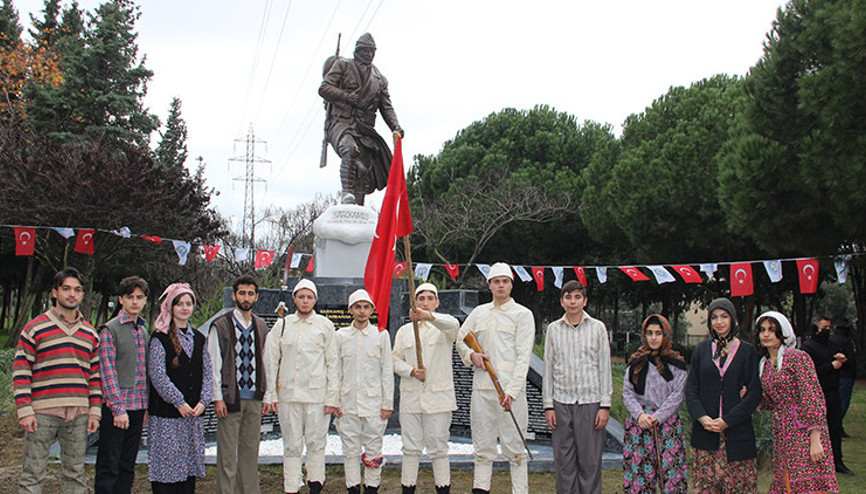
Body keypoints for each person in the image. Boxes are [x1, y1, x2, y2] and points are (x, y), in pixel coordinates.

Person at [14, 267, 101, 494]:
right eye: (66, 289)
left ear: (83, 295)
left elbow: (95, 376)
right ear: (55, 293)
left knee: (76, 475)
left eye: (77, 290)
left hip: (79, 414)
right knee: (32, 475)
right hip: (42, 412)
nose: (72, 294)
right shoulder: (35, 328)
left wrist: (94, 411)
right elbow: (21, 370)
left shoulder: (90, 333)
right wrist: (24, 410)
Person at [457, 262, 535, 494]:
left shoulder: (523, 314)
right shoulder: (479, 313)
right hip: (482, 389)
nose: (500, 286)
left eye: (505, 281)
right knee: (482, 448)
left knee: (516, 451)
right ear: (489, 285)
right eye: (496, 282)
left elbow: (523, 357)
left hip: (510, 393)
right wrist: (472, 355)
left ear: (511, 285)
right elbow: (461, 338)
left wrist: (511, 392)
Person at [263, 279, 339, 494]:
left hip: (317, 397)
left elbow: (333, 363)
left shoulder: (325, 325)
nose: (305, 301)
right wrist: (271, 394)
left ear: (315, 300)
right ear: (294, 299)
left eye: (309, 297)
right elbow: (271, 359)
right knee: (292, 446)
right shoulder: (283, 324)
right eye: (301, 297)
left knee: (316, 444)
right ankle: (291, 487)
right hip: (289, 396)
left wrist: (333, 398)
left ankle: (315, 484)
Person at [756, 311, 838, 493]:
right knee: (786, 479)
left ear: (782, 332)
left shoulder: (797, 358)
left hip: (804, 429)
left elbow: (812, 397)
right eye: (762, 330)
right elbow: (772, 401)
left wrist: (816, 438)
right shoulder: (765, 364)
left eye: (772, 330)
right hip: (782, 431)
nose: (766, 334)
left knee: (807, 479)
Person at [685, 297, 762, 493]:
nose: (719, 322)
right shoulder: (701, 351)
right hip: (705, 436)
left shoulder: (747, 351)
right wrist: (703, 419)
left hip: (737, 435)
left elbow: (753, 394)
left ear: (733, 319)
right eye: (714, 317)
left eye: (724, 316)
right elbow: (691, 390)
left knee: (738, 488)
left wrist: (727, 421)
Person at [543, 280, 613, 494]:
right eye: (568, 297)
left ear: (585, 301)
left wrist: (605, 405)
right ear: (562, 301)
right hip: (561, 403)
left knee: (590, 461)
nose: (573, 302)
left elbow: (604, 367)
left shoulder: (598, 328)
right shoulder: (554, 329)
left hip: (590, 403)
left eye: (577, 297)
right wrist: (548, 406)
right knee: (564, 461)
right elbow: (548, 368)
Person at [319, 32, 404, 205]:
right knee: (349, 150)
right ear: (358, 51)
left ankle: (357, 209)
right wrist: (346, 96)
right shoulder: (343, 66)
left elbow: (386, 106)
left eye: (372, 51)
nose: (369, 54)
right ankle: (346, 194)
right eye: (366, 50)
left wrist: (395, 126)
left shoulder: (379, 78)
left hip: (365, 129)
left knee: (364, 172)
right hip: (342, 122)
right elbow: (324, 88)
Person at [392, 282, 460, 494]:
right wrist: (411, 371)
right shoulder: (404, 331)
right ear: (414, 302)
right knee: (411, 449)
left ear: (437, 302)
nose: (425, 302)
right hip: (411, 398)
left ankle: (443, 489)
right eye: (421, 299)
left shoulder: (443, 328)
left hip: (438, 399)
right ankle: (408, 488)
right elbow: (394, 360)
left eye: (430, 298)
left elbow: (454, 325)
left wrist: (427, 316)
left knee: (438, 449)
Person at [148, 283, 213, 493]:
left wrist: (204, 401)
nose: (184, 308)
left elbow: (207, 371)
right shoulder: (160, 338)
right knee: (168, 470)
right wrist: (179, 402)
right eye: (179, 304)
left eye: (188, 303)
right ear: (170, 307)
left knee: (187, 471)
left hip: (192, 415)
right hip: (168, 415)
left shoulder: (199, 338)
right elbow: (158, 375)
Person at [208, 275, 270, 494]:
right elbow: (214, 364)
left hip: (254, 398)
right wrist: (217, 397)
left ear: (256, 297)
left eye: (250, 293)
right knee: (227, 455)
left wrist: (268, 395)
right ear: (234, 295)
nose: (246, 298)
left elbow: (266, 362)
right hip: (230, 399)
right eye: (242, 293)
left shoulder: (261, 326)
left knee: (250, 453)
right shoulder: (221, 325)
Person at [334, 289, 394, 494]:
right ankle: (352, 487)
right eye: (357, 307)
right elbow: (335, 371)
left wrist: (388, 404)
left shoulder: (381, 335)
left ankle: (371, 488)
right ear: (350, 310)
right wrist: (335, 401)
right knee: (350, 451)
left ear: (372, 310)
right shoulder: (340, 336)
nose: (361, 311)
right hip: (347, 403)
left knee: (374, 449)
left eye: (366, 307)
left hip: (374, 404)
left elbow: (387, 371)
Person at [95, 276, 150, 494]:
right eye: (130, 297)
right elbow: (107, 371)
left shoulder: (143, 330)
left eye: (139, 297)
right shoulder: (111, 330)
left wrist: (145, 407)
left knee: (128, 464)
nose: (134, 302)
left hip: (138, 407)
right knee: (110, 463)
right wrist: (117, 408)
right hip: (117, 410)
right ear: (121, 300)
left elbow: (144, 371)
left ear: (145, 300)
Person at [622, 314, 687, 494]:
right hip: (640, 425)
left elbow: (678, 394)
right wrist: (641, 415)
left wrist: (657, 417)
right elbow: (627, 392)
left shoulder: (676, 364)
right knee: (640, 477)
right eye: (649, 333)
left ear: (665, 335)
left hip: (667, 424)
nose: (653, 338)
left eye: (658, 333)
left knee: (672, 476)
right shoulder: (636, 363)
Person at [801, 314, 853, 475]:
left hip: (833, 392)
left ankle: (837, 461)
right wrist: (831, 366)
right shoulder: (807, 348)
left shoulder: (831, 345)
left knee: (835, 428)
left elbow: (843, 365)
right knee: (817, 430)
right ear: (816, 328)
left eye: (829, 328)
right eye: (825, 328)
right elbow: (809, 373)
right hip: (816, 395)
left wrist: (842, 360)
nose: (828, 331)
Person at [829, 319, 856, 437]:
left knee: (834, 402)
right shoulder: (846, 341)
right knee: (843, 402)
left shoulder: (831, 340)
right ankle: (836, 426)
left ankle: (835, 425)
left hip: (833, 375)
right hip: (845, 376)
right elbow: (851, 360)